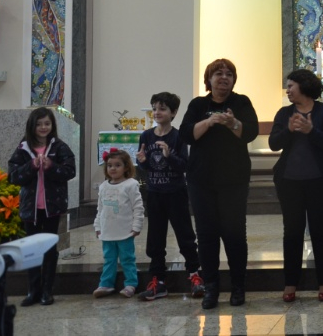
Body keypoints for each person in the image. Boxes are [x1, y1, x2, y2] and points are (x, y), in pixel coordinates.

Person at [180, 58, 260, 309]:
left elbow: (250, 132)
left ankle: (238, 287)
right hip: (201, 180)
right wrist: (210, 121)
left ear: (234, 80)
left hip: (233, 179)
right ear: (209, 78)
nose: (224, 77)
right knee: (206, 235)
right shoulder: (198, 104)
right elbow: (186, 135)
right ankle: (211, 288)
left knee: (234, 233)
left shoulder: (241, 102)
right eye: (218, 73)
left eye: (229, 74)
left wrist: (232, 123)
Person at [269, 69, 323, 303]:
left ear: (304, 87)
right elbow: (273, 144)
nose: (288, 90)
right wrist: (289, 130)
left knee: (320, 230)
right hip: (289, 182)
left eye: (291, 86)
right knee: (292, 232)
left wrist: (311, 131)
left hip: (319, 181)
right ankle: (291, 283)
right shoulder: (284, 113)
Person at [134, 92, 203, 301]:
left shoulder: (178, 136)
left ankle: (195, 276)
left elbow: (184, 165)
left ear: (173, 112)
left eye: (162, 108)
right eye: (154, 108)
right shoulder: (146, 136)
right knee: (155, 239)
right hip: (155, 194)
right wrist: (143, 161)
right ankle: (158, 281)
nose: (157, 112)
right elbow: (145, 166)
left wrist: (168, 156)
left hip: (176, 193)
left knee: (185, 237)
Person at [7, 107, 76, 306]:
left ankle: (47, 291)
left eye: (47, 123)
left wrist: (51, 167)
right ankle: (33, 291)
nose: (43, 127)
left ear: (52, 125)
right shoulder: (23, 148)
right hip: (30, 209)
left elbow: (70, 171)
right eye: (39, 124)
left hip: (52, 208)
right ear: (32, 126)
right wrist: (32, 166)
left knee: (49, 250)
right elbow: (13, 176)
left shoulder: (59, 147)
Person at [93, 148, 144, 299]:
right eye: (110, 165)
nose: (113, 168)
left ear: (126, 167)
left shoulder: (131, 185)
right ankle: (106, 284)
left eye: (117, 165)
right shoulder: (103, 187)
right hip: (108, 231)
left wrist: (137, 226)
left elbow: (138, 207)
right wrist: (98, 226)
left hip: (125, 230)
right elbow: (100, 208)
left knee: (127, 258)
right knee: (109, 259)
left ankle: (130, 284)